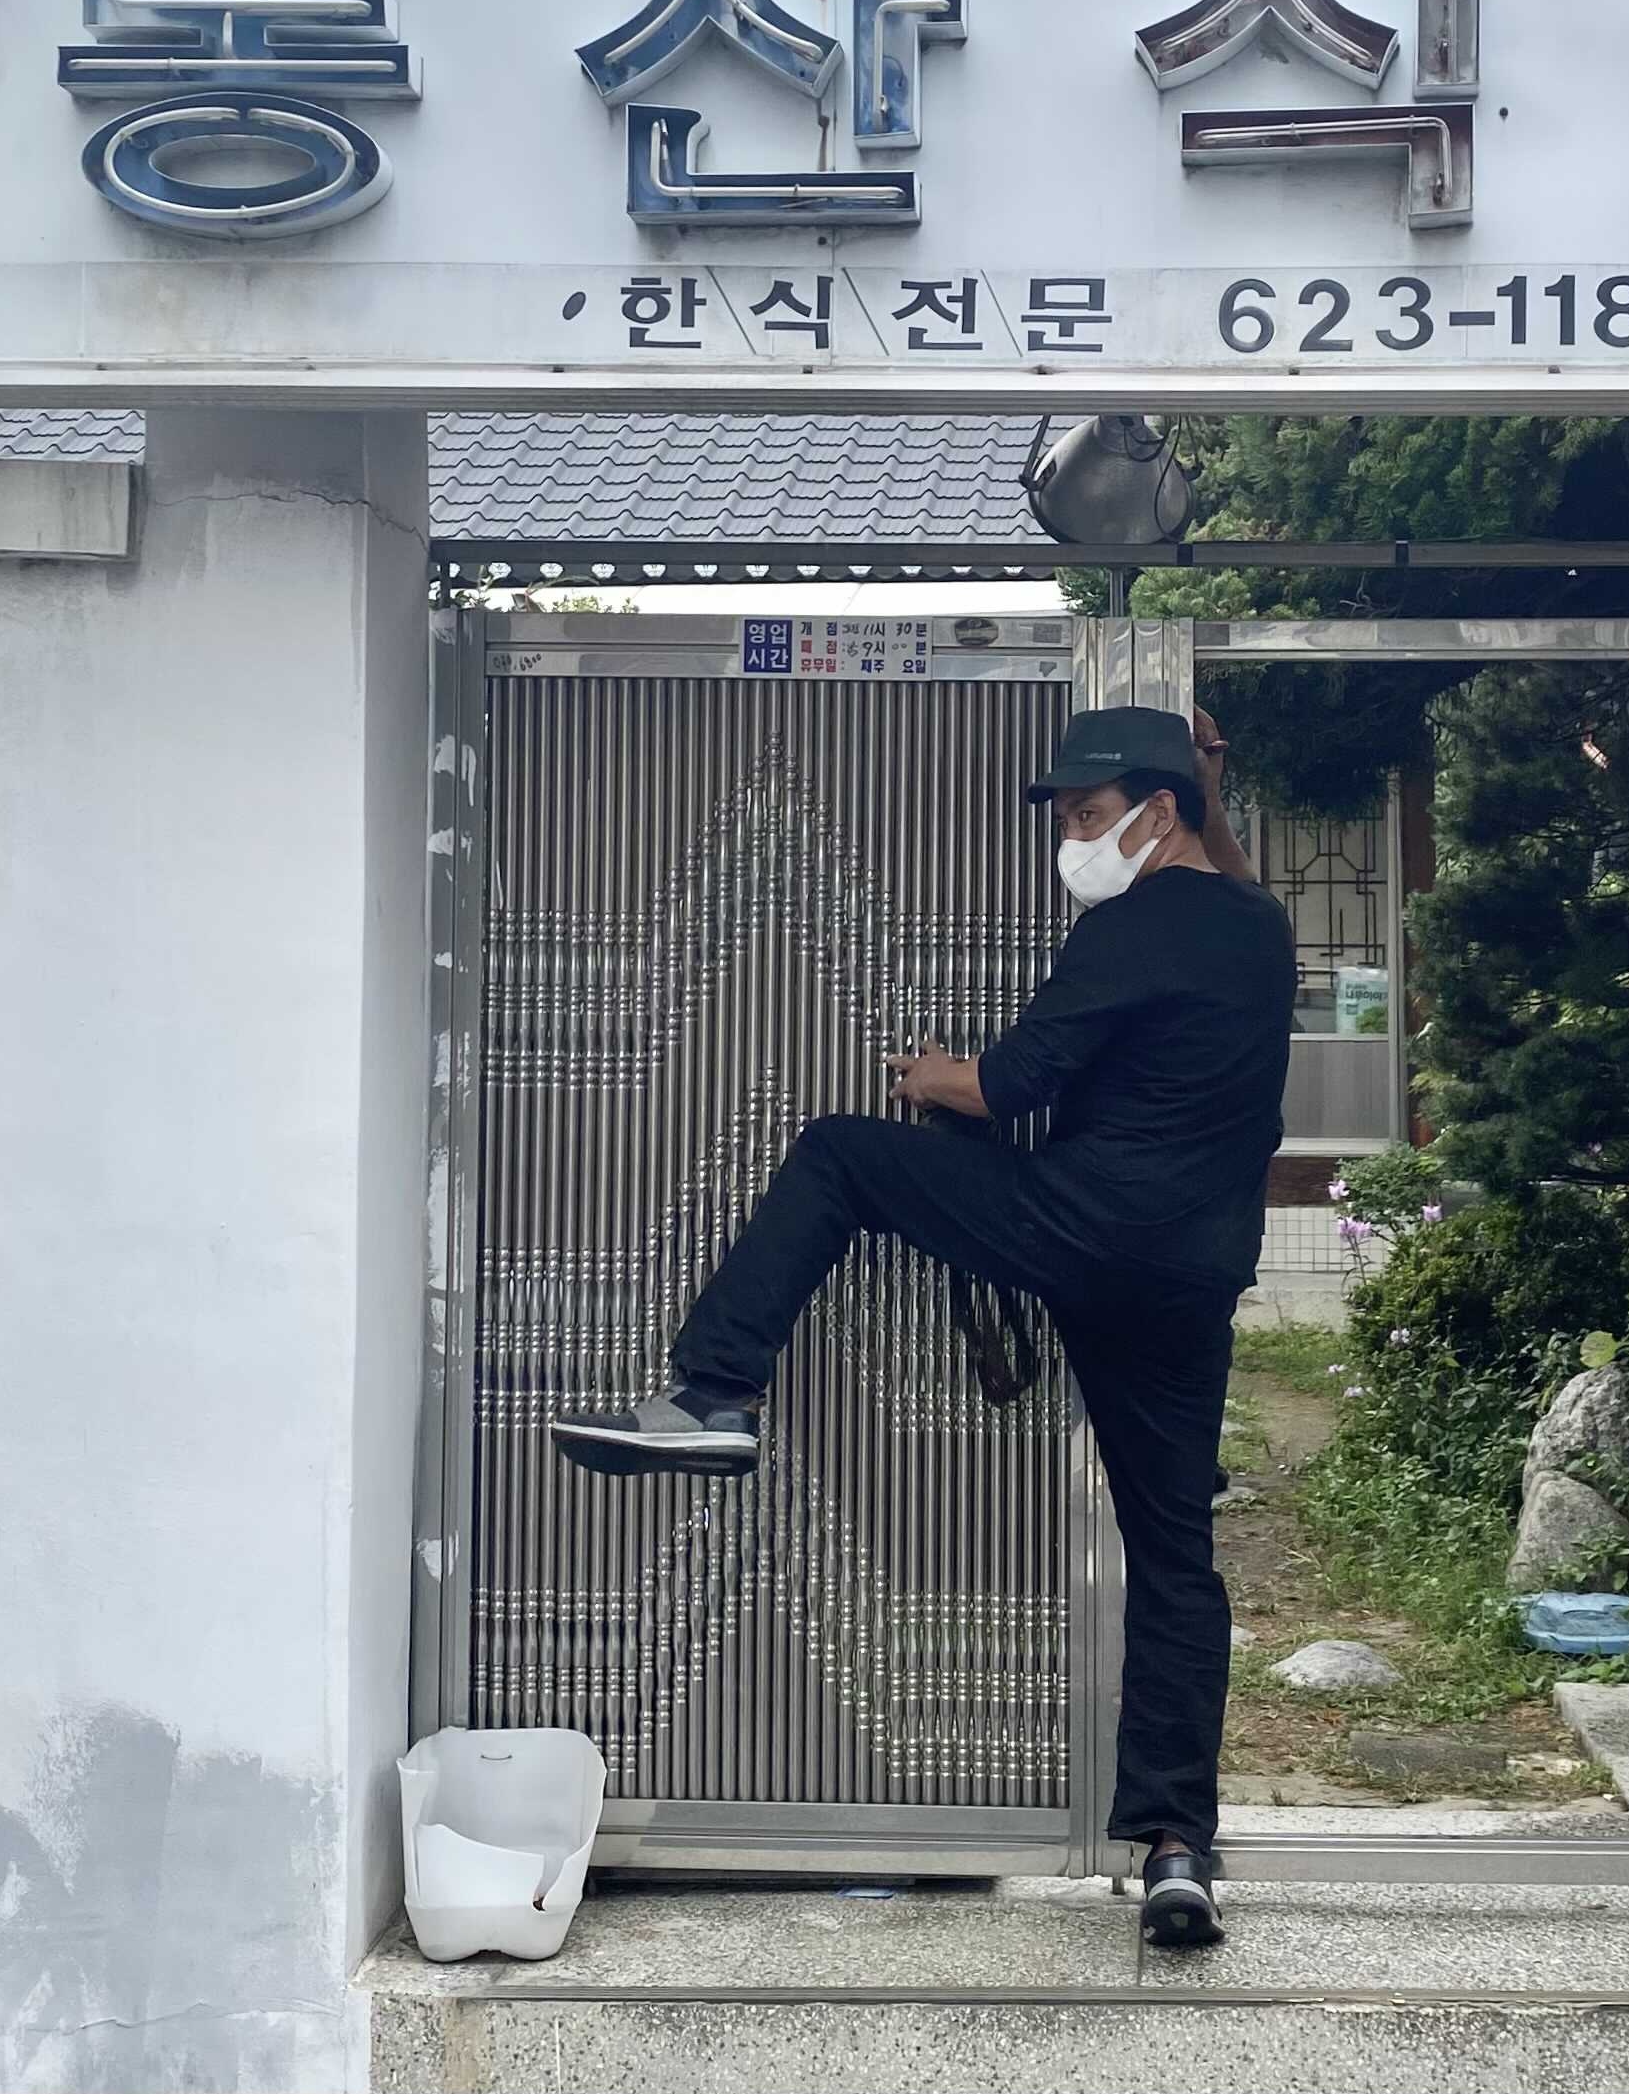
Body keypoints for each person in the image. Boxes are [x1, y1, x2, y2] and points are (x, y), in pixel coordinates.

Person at [552, 700, 1293, 1948]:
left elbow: (1008, 1085)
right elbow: (1226, 887)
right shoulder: (1257, 929)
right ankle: (1177, 1844)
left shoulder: (1128, 925)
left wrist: (930, 1073)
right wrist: (1210, 781)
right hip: (1189, 1276)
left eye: (1088, 812)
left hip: (1076, 1227)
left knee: (841, 1153)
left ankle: (713, 1390)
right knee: (1174, 1555)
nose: (1070, 836)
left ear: (1156, 810)